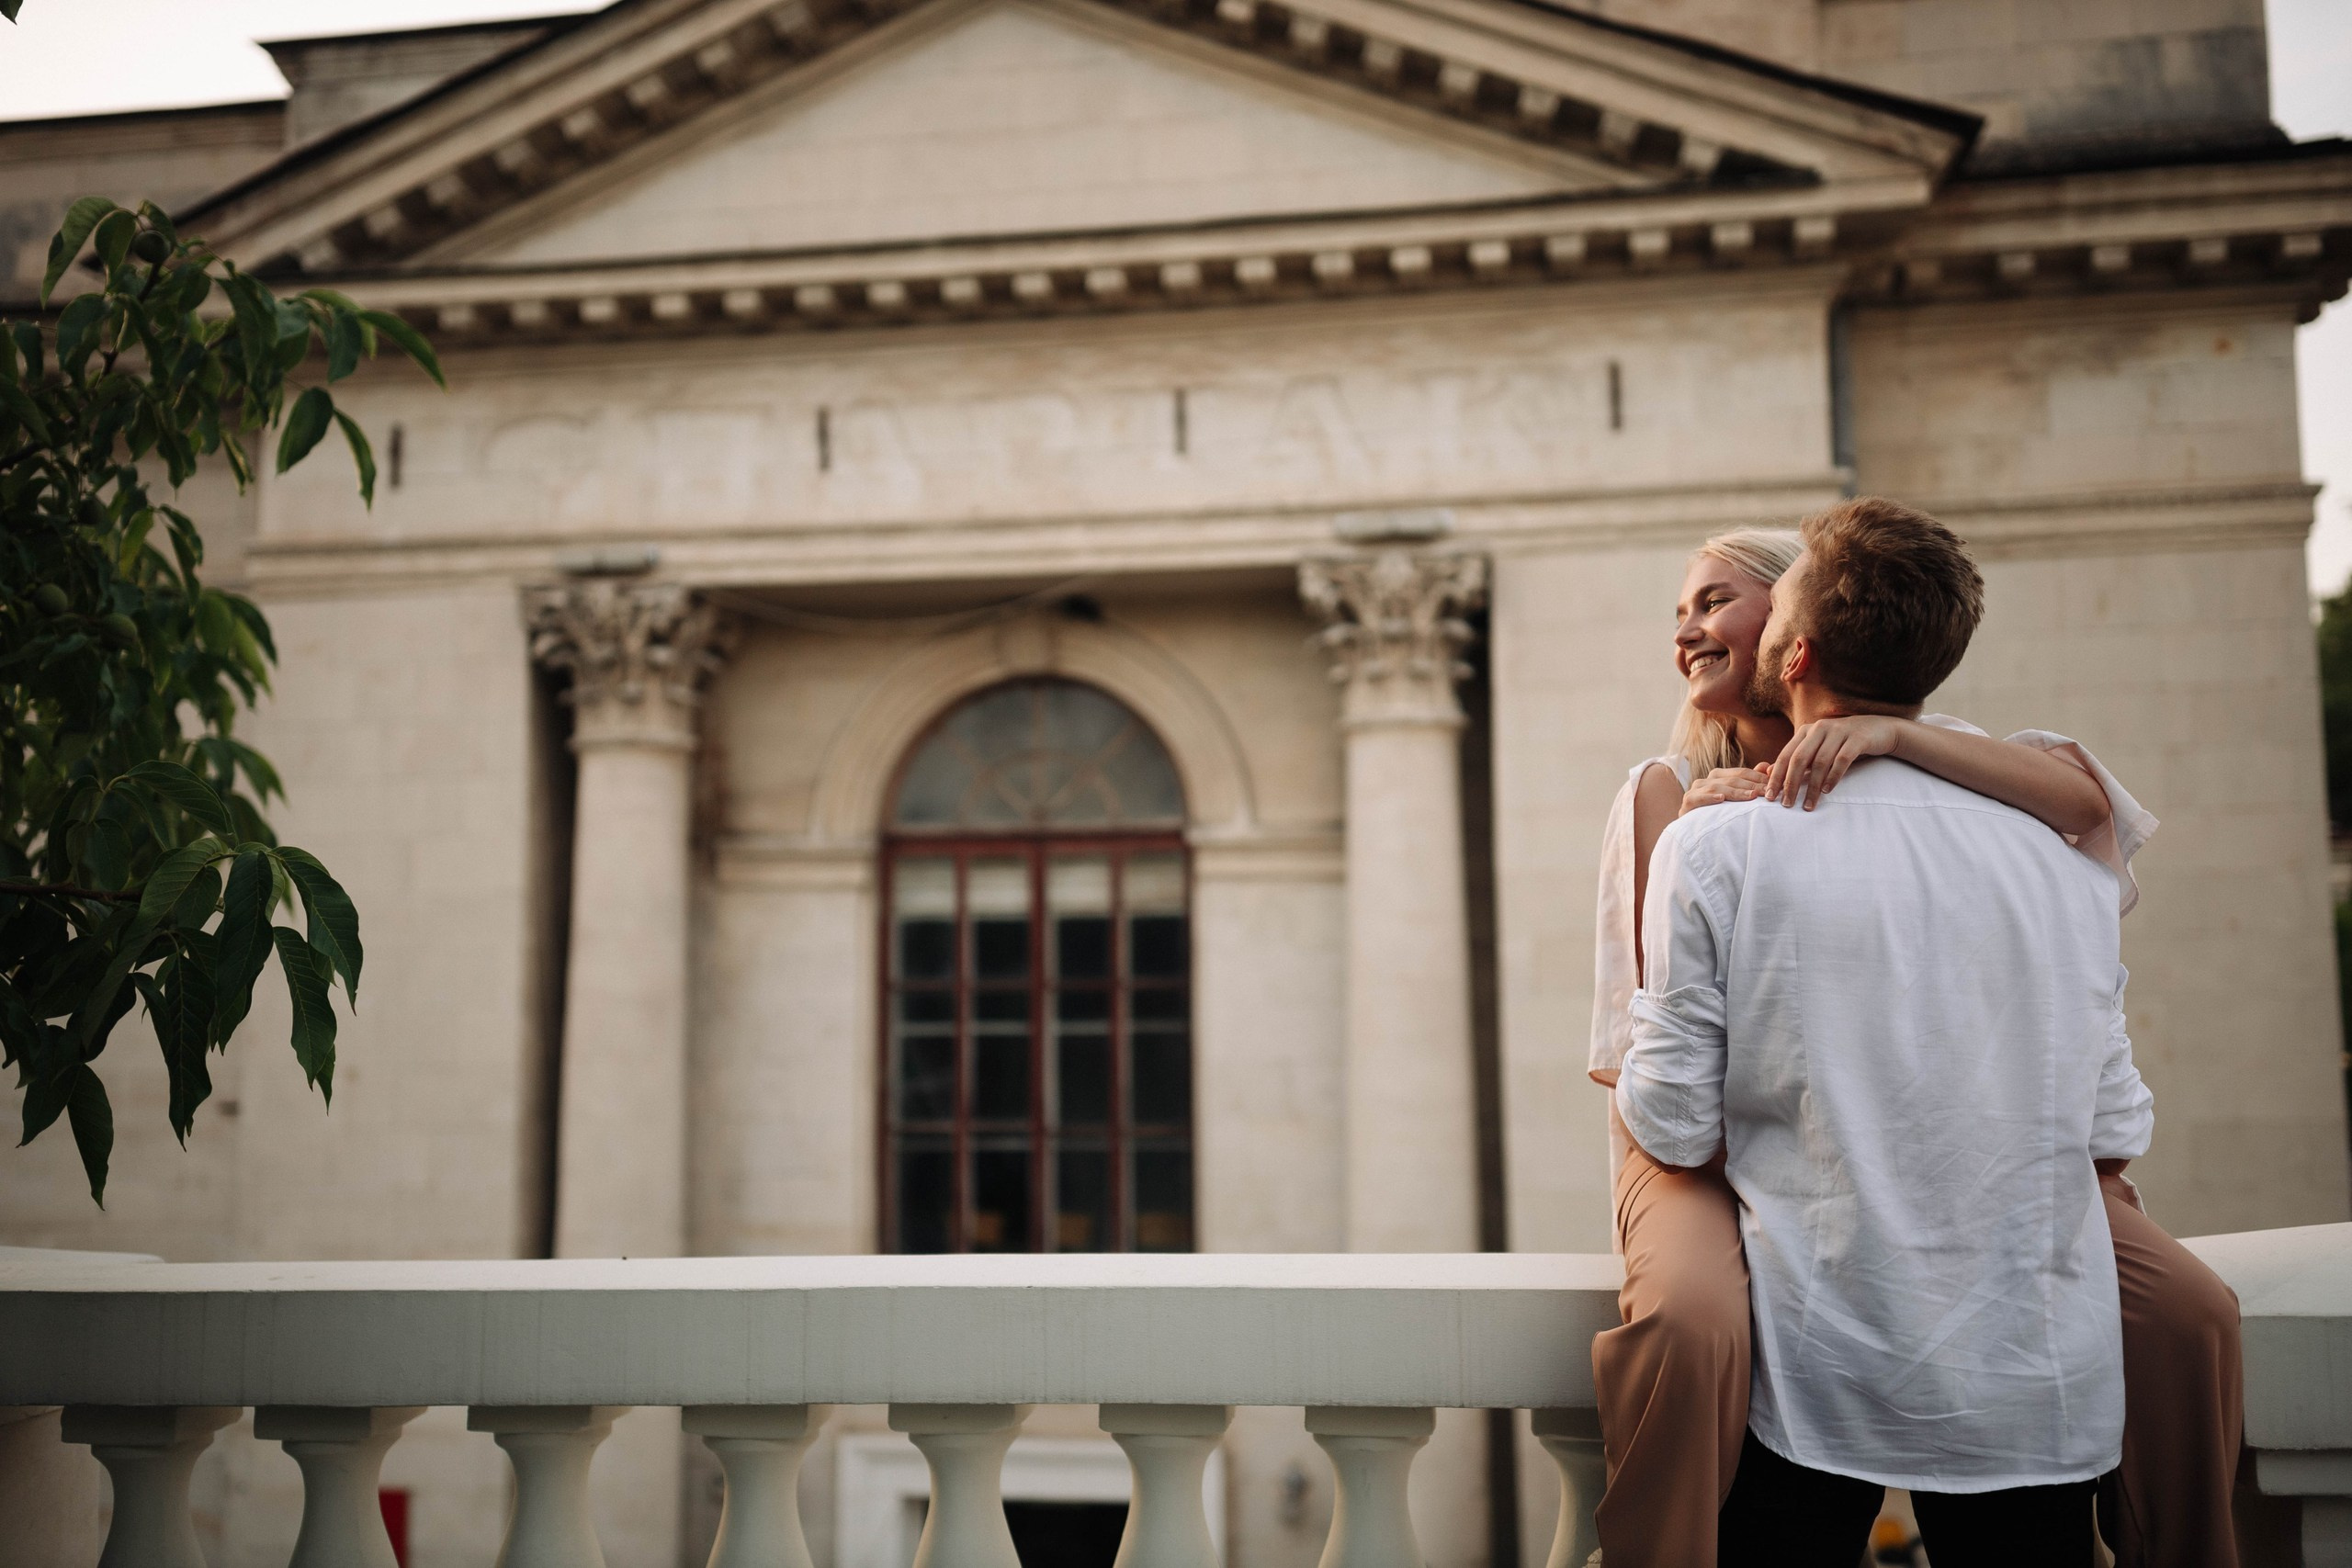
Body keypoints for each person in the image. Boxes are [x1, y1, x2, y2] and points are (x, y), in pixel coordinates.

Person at [1589, 512, 2243, 1566]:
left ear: (1787, 637)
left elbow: (2089, 808)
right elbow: (1665, 1092)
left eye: (1721, 601)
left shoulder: (1973, 782)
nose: (1693, 632)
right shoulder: (1679, 802)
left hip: (1855, 1208)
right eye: (1683, 609)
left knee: (2193, 1314)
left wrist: (1893, 737)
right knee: (1694, 1322)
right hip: (1738, 1148)